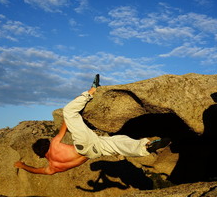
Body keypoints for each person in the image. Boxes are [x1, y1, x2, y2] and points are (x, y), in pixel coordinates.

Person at [14, 74, 170, 175]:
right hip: (83, 144)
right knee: (68, 112)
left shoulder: (52, 167)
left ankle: (146, 147)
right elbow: (66, 124)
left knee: (117, 143)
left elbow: (38, 171)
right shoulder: (53, 145)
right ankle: (91, 91)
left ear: (42, 155)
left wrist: (23, 166)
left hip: (92, 153)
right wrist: (76, 109)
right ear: (46, 144)